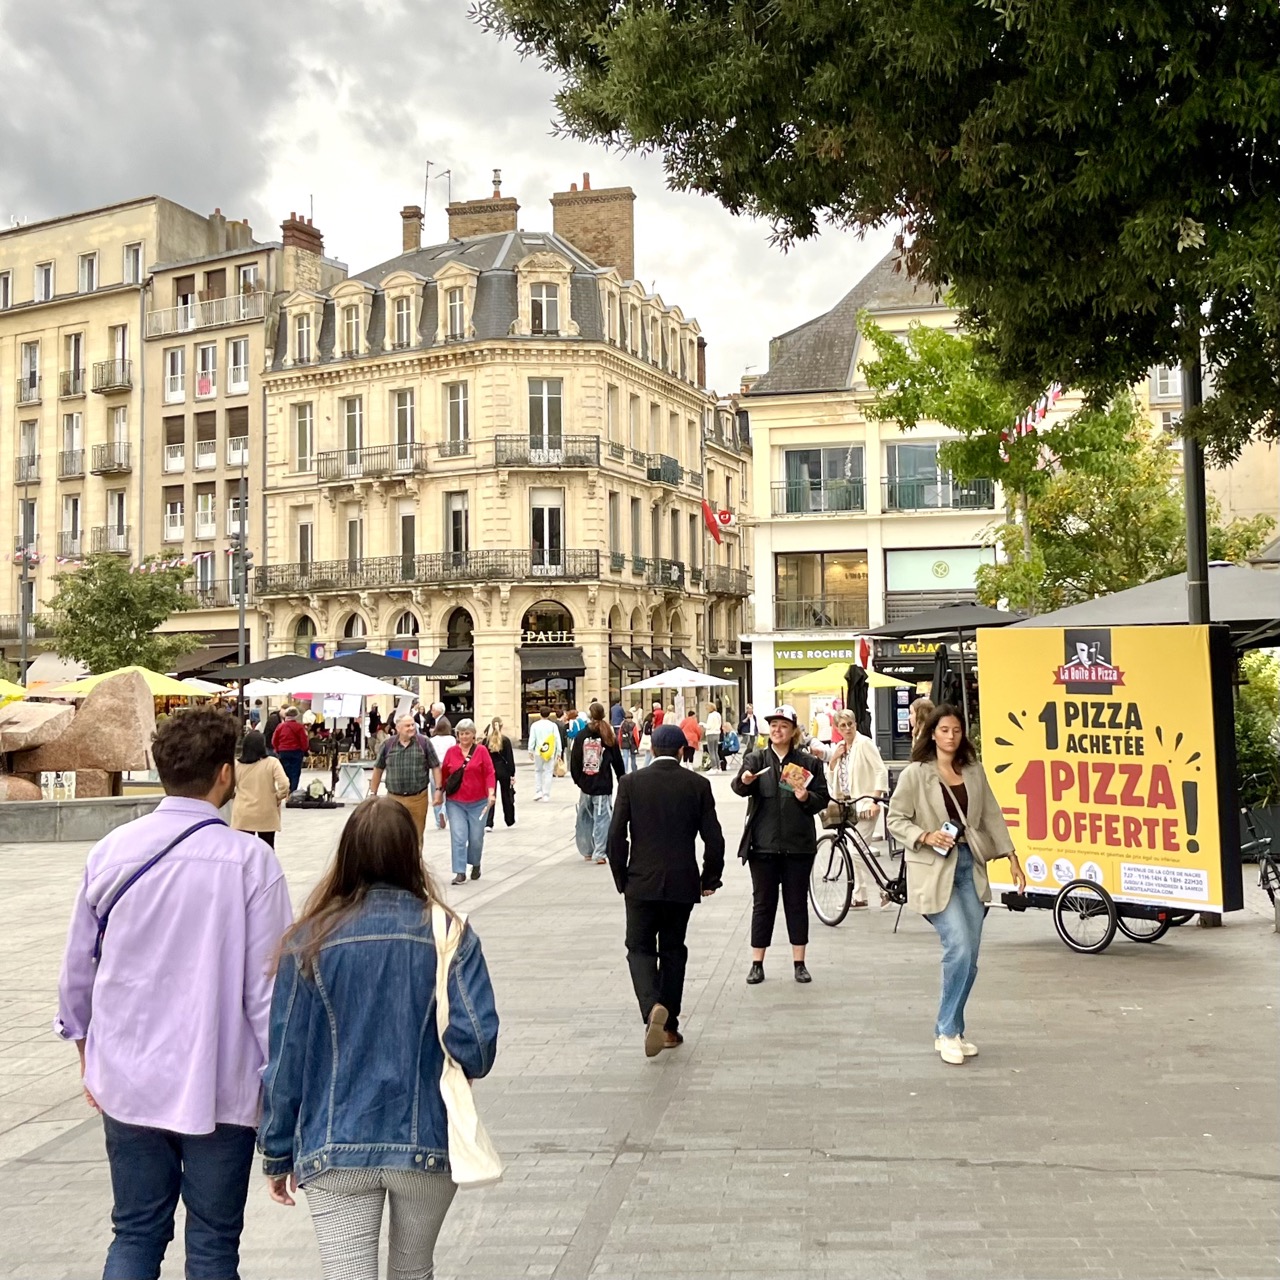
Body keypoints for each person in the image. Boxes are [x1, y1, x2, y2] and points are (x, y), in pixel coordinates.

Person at [53, 707, 293, 1280]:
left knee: (135, 1233)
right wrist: (284, 1085)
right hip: (221, 1082)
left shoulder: (111, 852)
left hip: (129, 1077)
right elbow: (269, 994)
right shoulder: (251, 863)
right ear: (224, 776)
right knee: (212, 1247)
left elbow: (76, 974)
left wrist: (87, 1049)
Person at [259, 798, 498, 1280]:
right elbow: (477, 1043)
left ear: (347, 855)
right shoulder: (449, 933)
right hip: (427, 1137)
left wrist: (277, 1150)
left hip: (334, 1142)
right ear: (412, 852)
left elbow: (285, 1058)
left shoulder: (309, 940)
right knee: (413, 1272)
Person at [888, 704, 1025, 1066]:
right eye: (944, 730)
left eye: (957, 730)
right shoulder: (917, 774)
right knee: (959, 948)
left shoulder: (973, 772)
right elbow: (895, 818)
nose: (951, 736)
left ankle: (953, 1027)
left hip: (970, 867)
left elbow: (992, 814)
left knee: (971, 958)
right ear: (932, 733)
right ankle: (946, 1030)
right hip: (934, 871)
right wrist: (925, 835)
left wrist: (1011, 856)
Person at [608, 722, 725, 1055]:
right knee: (674, 950)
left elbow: (616, 836)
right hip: (681, 882)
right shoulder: (697, 784)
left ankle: (651, 1010)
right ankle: (670, 1027)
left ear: (651, 749)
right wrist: (709, 878)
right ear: (680, 751)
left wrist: (622, 877)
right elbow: (713, 838)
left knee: (640, 947)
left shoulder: (630, 783)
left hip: (640, 883)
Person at [731, 705, 830, 985]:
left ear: (793, 731)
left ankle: (799, 962)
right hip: (762, 846)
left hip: (798, 846)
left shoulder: (808, 763)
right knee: (763, 904)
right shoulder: (756, 759)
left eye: (783, 726)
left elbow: (822, 798)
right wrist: (745, 780)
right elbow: (738, 787)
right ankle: (756, 963)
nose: (777, 730)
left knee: (796, 903)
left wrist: (805, 798)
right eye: (773, 725)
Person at [825, 709, 889, 908]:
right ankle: (860, 895)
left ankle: (884, 886)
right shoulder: (841, 747)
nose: (847, 728)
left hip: (865, 803)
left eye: (850, 724)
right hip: (848, 805)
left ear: (855, 724)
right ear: (837, 728)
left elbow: (880, 770)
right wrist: (834, 758)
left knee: (856, 850)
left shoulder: (864, 744)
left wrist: (875, 800)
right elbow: (833, 777)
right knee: (854, 849)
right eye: (842, 725)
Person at [369, 716, 443, 847]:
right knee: (394, 835)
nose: (411, 728)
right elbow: (378, 769)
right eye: (407, 726)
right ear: (398, 728)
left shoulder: (424, 743)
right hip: (393, 799)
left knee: (416, 836)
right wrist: (373, 793)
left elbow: (435, 767)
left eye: (412, 725)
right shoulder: (388, 745)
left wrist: (438, 790)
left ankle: (415, 865)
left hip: (418, 799)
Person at [440, 719, 497, 886]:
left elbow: (489, 772)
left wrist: (491, 793)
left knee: (476, 837)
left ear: (473, 734)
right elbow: (444, 774)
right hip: (455, 802)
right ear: (457, 735)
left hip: (478, 802)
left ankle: (476, 863)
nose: (464, 736)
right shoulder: (451, 752)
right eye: (461, 733)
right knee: (458, 836)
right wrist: (438, 793)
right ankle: (459, 872)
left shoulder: (481, 751)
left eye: (467, 733)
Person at [570, 702, 626, 865]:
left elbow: (575, 760)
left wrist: (578, 780)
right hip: (603, 784)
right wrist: (621, 778)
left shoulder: (581, 735)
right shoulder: (608, 734)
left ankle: (587, 850)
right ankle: (600, 852)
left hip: (586, 784)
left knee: (585, 817)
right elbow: (617, 760)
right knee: (602, 818)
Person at [232, 729, 291, 849]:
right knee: (268, 849)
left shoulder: (236, 765)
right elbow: (284, 784)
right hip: (266, 811)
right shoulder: (272, 763)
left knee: (244, 851)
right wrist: (278, 797)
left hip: (243, 813)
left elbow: (229, 787)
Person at [485, 718, 517, 829]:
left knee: (490, 796)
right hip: (504, 771)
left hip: (490, 771)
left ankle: (488, 822)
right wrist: (512, 773)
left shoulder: (486, 741)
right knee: (507, 796)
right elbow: (510, 758)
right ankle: (509, 820)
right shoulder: (506, 740)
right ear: (502, 726)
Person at [271, 706, 309, 793]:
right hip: (296, 752)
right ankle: (292, 791)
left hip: (283, 752)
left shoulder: (280, 727)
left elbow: (274, 740)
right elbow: (304, 740)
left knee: (285, 772)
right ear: (296, 716)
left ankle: (286, 791)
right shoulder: (299, 727)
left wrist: (277, 750)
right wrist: (304, 750)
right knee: (295, 773)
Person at [527, 706, 561, 801]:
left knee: (538, 771)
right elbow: (557, 738)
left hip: (538, 751)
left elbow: (532, 738)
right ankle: (546, 794)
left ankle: (538, 791)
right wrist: (559, 751)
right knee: (548, 772)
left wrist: (530, 750)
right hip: (550, 751)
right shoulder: (553, 725)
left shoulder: (535, 725)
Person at [430, 716, 456, 830]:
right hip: (448, 768)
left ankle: (437, 820)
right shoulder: (451, 739)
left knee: (435, 793)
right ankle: (444, 812)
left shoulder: (432, 740)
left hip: (435, 768)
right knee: (449, 794)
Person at [704, 702, 723, 771]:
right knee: (715, 751)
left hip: (710, 733)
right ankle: (718, 767)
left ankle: (714, 767)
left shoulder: (711, 715)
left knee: (711, 751)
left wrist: (703, 724)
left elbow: (709, 726)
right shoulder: (718, 714)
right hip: (717, 734)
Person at [619, 709, 639, 773]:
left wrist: (620, 743)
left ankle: (625, 771)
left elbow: (620, 735)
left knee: (625, 758)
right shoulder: (634, 725)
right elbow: (636, 736)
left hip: (624, 742)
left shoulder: (622, 725)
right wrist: (637, 744)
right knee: (633, 758)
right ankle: (634, 771)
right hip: (633, 743)